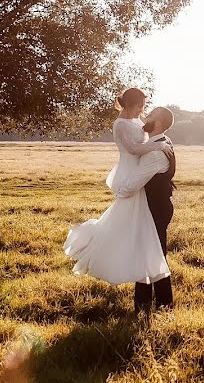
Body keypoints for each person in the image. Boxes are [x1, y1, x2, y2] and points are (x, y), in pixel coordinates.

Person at [63, 88, 172, 288]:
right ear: (130, 105)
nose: (143, 110)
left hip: (140, 173)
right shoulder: (120, 124)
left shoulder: (137, 121)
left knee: (133, 228)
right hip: (130, 170)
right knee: (128, 224)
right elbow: (133, 148)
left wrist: (160, 144)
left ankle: (143, 275)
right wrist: (159, 146)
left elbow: (150, 136)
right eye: (140, 105)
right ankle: (137, 273)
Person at [112, 106, 177, 315]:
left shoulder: (156, 153)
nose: (145, 118)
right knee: (149, 255)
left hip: (154, 209)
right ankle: (147, 306)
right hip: (154, 207)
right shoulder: (158, 144)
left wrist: (118, 192)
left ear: (158, 123)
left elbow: (134, 183)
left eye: (150, 116)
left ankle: (159, 306)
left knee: (154, 256)